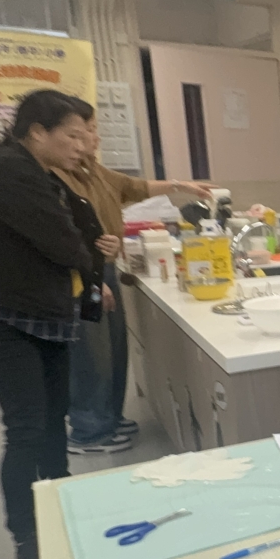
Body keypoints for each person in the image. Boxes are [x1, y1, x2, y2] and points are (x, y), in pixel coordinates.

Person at [0, 89, 121, 559]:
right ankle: (27, 541)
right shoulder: (7, 172)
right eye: (72, 136)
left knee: (54, 419)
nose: (82, 145)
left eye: (85, 135)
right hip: (3, 319)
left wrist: (92, 260)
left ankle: (60, 507)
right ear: (37, 132)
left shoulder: (43, 175)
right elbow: (62, 241)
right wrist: (90, 261)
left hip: (45, 314)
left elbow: (79, 234)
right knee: (27, 426)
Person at [55, 100, 214, 454]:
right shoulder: (59, 178)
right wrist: (92, 277)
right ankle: (88, 430)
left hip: (106, 267)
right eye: (84, 132)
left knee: (112, 349)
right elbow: (64, 235)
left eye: (92, 130)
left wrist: (181, 186)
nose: (93, 138)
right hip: (85, 273)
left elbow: (134, 187)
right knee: (90, 354)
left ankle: (107, 417)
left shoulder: (91, 170)